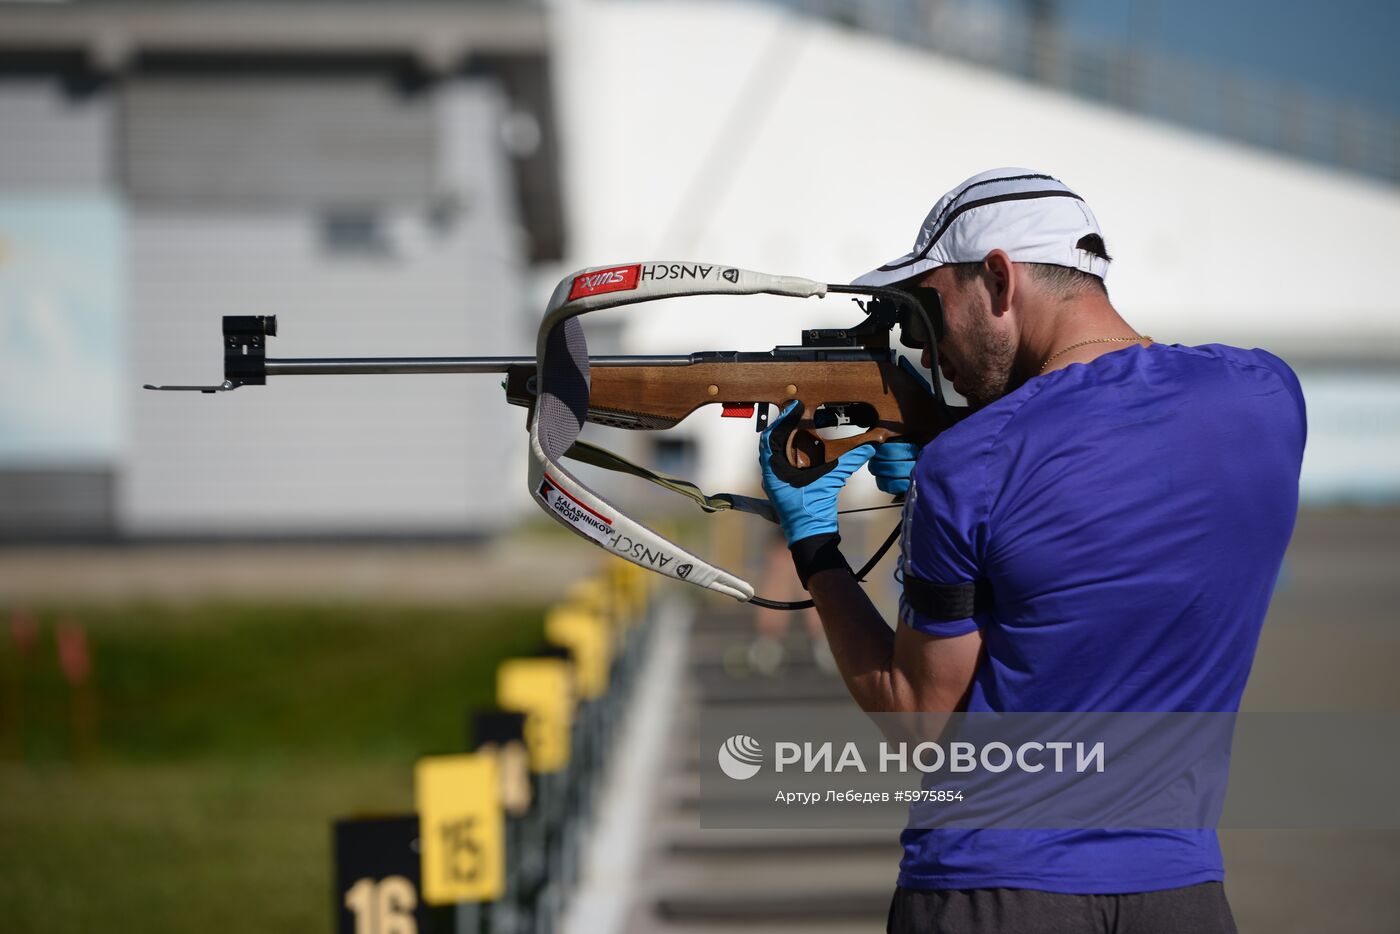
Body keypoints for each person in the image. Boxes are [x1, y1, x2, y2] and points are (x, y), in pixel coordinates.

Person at [757, 168, 1306, 934]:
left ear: (999, 278)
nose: (929, 346)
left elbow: (918, 716)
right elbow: (1110, 472)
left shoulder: (972, 464)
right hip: (1182, 889)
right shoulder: (1270, 398)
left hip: (992, 890)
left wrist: (814, 541)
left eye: (929, 307)